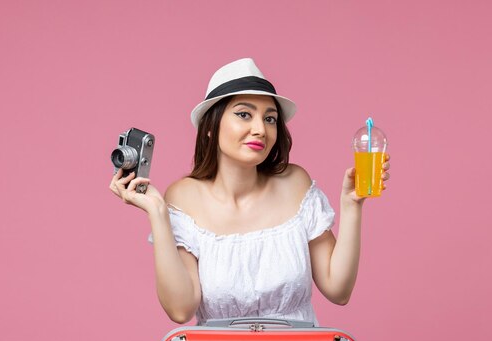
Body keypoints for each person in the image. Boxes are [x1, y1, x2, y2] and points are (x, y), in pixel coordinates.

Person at [109, 58, 390, 325]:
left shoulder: (295, 184)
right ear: (211, 126)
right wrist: (158, 214)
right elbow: (181, 309)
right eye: (244, 115)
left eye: (270, 119)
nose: (260, 129)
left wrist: (352, 206)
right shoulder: (184, 198)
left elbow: (338, 290)